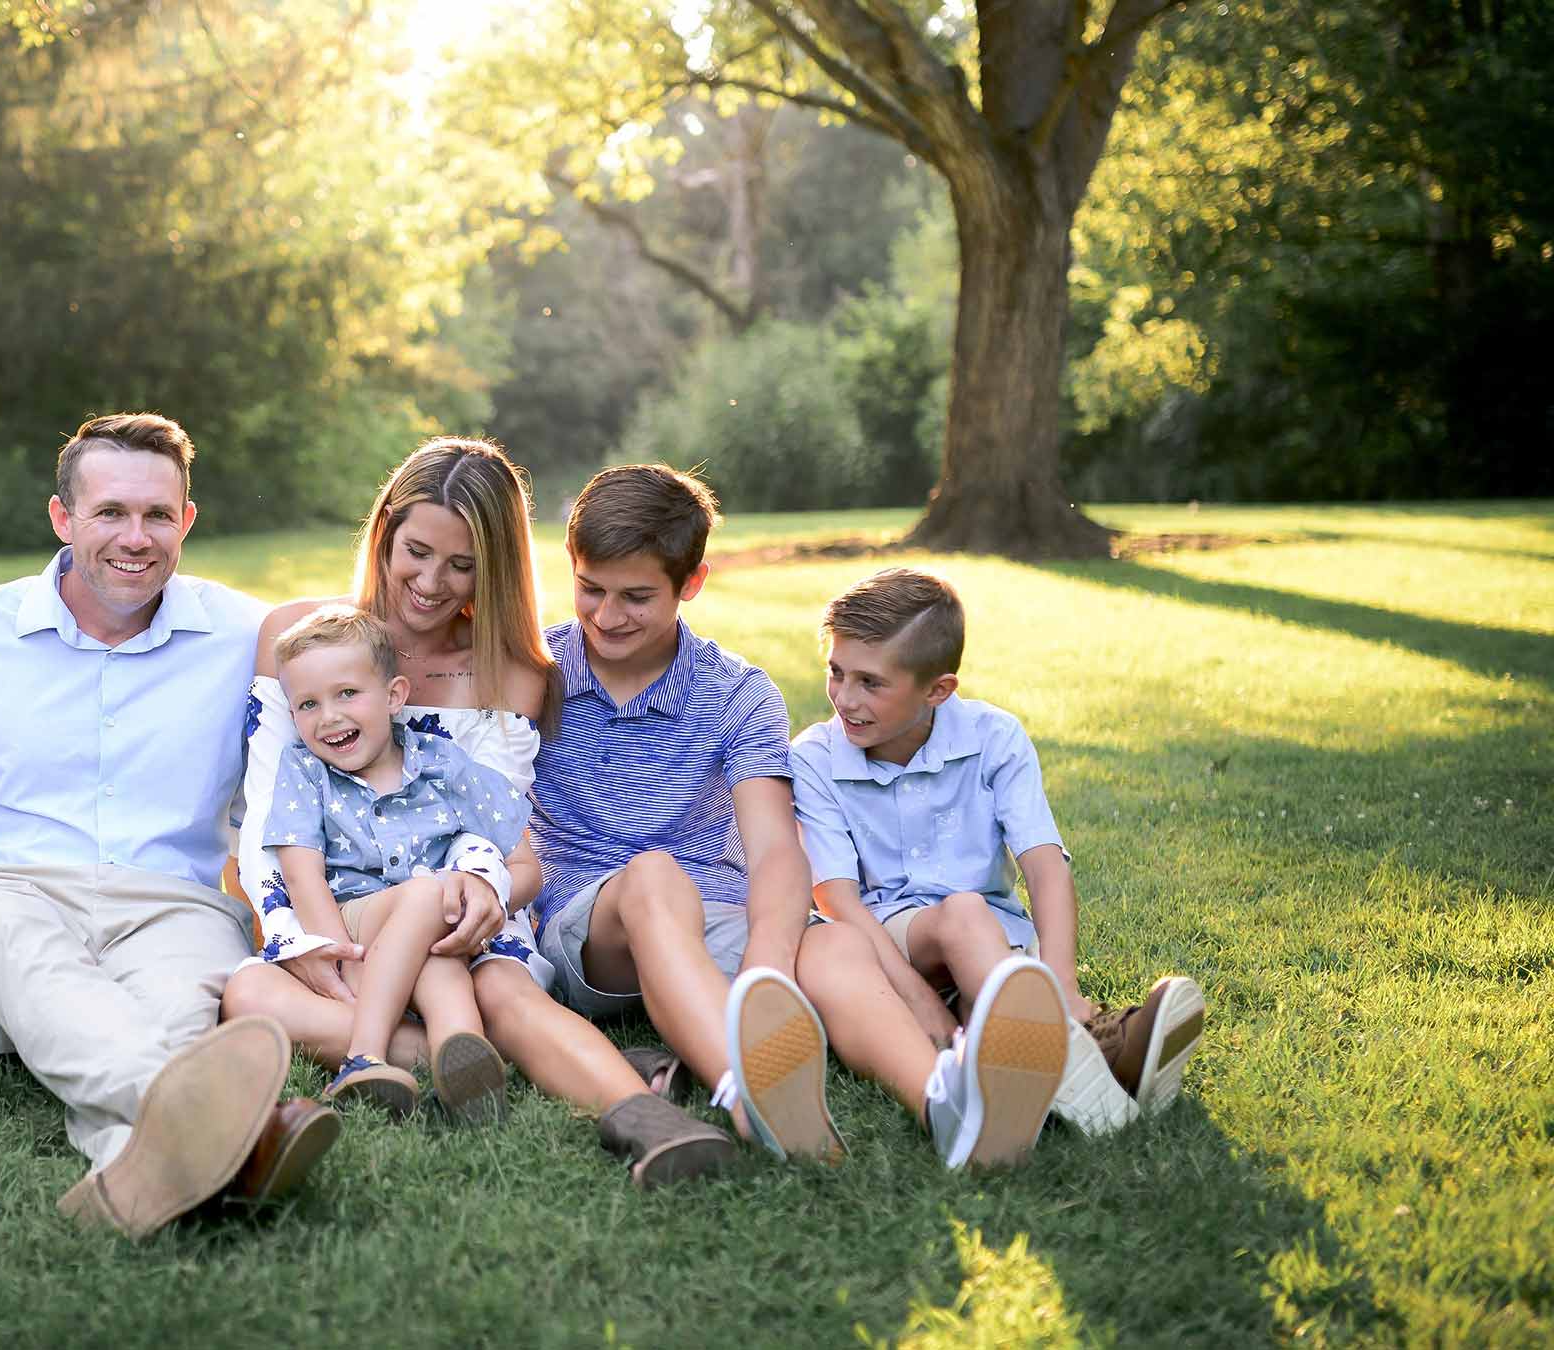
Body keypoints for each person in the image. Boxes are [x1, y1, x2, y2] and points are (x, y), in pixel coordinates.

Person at [0, 412, 336, 1240]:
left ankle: (131, 1174)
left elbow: (368, 673)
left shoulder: (247, 637)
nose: (136, 537)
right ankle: (238, 1135)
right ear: (62, 518)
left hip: (175, 909)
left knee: (174, 1004)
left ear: (187, 521)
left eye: (159, 515)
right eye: (110, 512)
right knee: (16, 936)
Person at [224, 439, 736, 1187]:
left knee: (498, 988)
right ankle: (510, 1057)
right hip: (333, 916)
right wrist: (303, 939)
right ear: (385, 533)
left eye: (461, 565)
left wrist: (482, 892)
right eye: (417, 551)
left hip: (459, 922)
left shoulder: (512, 669)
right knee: (251, 995)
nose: (430, 583)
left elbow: (499, 838)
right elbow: (272, 815)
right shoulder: (301, 639)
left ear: (492, 567)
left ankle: (646, 1117)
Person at [788, 566, 1207, 1160]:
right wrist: (916, 998)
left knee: (993, 998)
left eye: (870, 683)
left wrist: (1061, 982)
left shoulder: (995, 737)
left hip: (996, 951)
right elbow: (836, 900)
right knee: (962, 913)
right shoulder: (815, 757)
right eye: (836, 672)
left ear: (938, 690)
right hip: (886, 942)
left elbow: (1044, 865)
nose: (845, 698)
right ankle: (1098, 1046)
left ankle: (1070, 1051)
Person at [525, 463, 851, 1164]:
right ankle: (747, 1090)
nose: (607, 617)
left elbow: (772, 851)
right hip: (592, 931)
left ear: (691, 583)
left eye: (637, 597)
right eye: (591, 590)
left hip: (712, 913)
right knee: (652, 878)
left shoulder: (737, 693)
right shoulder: (534, 671)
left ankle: (942, 1090)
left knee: (834, 947)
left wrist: (769, 968)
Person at [260, 605, 522, 1121]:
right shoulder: (306, 771)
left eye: (347, 694)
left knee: (441, 942)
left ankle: (462, 1061)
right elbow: (302, 873)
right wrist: (341, 961)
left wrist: (484, 890)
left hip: (431, 931)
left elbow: (519, 848)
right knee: (432, 894)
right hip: (353, 922)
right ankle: (363, 1056)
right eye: (308, 704)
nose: (329, 717)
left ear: (395, 696)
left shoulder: (439, 762)